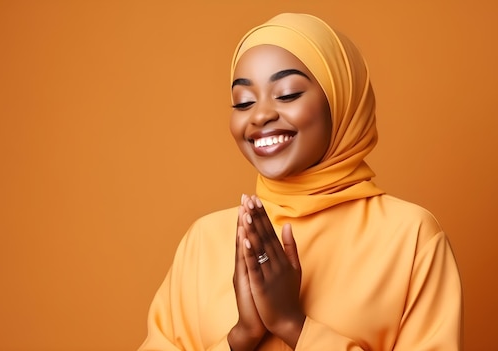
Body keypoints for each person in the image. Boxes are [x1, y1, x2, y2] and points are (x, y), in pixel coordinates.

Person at [138, 13, 462, 351]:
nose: (260, 115)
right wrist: (241, 337)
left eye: (288, 94)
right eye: (243, 102)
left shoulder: (410, 238)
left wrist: (293, 325)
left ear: (340, 99)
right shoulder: (203, 242)